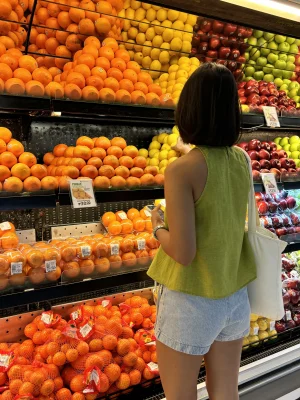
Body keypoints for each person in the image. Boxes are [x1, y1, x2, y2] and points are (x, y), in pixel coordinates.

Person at [147, 63, 257, 400]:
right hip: (234, 297)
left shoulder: (181, 170)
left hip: (190, 300)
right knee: (225, 391)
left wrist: (157, 228)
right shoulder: (242, 160)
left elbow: (183, 251)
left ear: (188, 109)